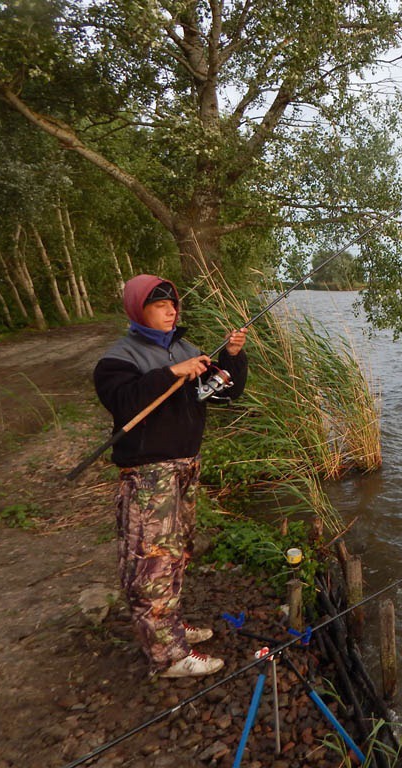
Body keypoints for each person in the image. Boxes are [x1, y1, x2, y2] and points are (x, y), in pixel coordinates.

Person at [94, 274, 248, 678]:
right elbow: (124, 402)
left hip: (186, 465)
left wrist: (231, 358)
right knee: (151, 562)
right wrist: (172, 372)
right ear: (137, 309)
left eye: (173, 304)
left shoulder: (186, 347)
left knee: (177, 553)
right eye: (160, 305)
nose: (170, 310)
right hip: (148, 473)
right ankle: (167, 658)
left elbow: (225, 394)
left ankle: (170, 626)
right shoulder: (118, 359)